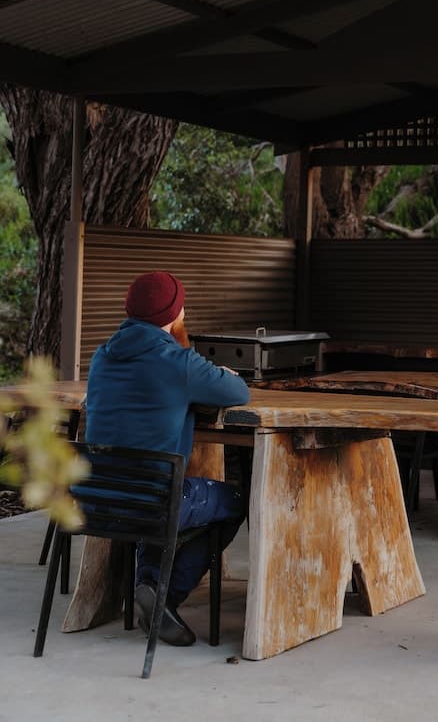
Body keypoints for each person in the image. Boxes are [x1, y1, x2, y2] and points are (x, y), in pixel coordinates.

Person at [85, 270, 250, 647]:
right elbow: (238, 391)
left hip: (94, 500)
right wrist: (217, 373)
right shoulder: (178, 362)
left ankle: (149, 584)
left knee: (156, 490)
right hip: (152, 501)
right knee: (232, 502)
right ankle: (163, 596)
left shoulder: (101, 357)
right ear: (175, 314)